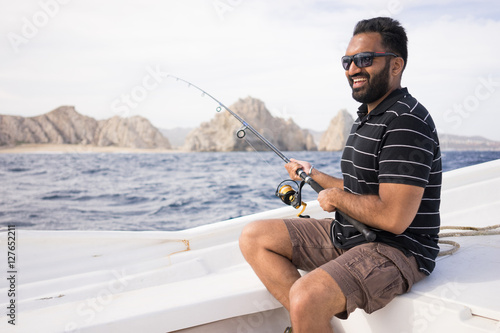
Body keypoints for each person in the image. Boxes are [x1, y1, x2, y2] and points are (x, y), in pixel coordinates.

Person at [239, 17, 442, 333]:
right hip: (354, 232)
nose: (352, 69)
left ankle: (308, 315)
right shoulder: (370, 116)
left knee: (306, 296)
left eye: (364, 59)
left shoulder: (405, 122)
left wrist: (335, 198)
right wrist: (314, 174)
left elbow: (393, 218)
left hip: (399, 249)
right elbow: (363, 187)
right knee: (255, 237)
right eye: (347, 61)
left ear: (396, 65)